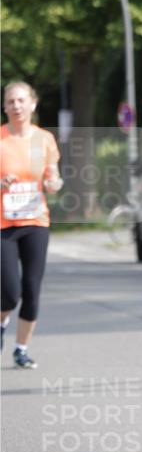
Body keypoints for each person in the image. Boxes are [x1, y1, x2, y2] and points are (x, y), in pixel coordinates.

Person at [1, 81, 63, 368]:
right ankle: (2, 323)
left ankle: (21, 349)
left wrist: (53, 183)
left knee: (32, 290)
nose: (16, 106)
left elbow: (52, 176)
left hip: (35, 221)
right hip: (4, 225)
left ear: (32, 104)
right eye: (11, 101)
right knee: (9, 292)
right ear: (4, 106)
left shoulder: (44, 140)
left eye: (21, 100)